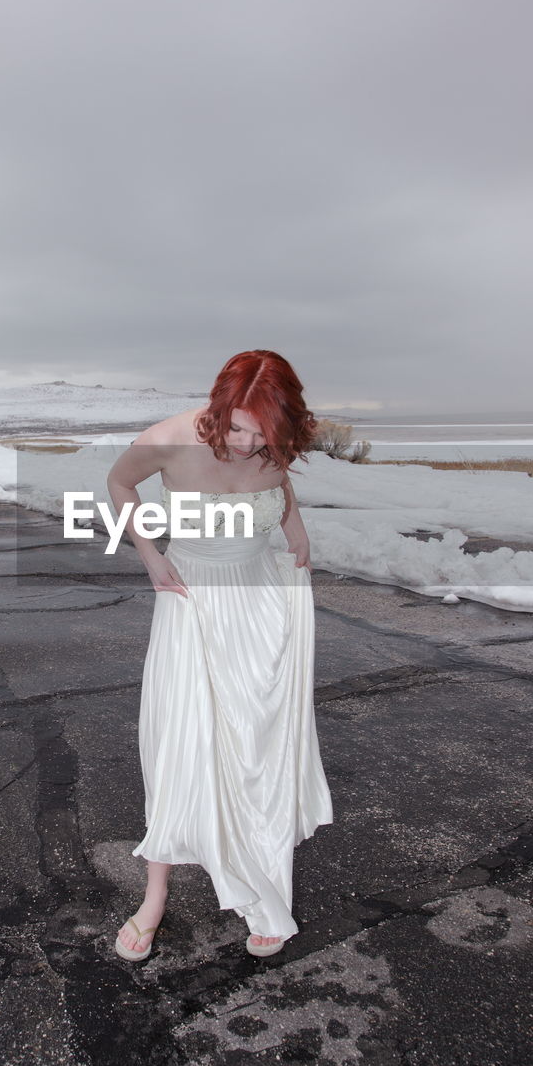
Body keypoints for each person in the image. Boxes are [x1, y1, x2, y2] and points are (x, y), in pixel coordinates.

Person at [107, 349, 333, 960]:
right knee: (181, 743)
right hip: (193, 597)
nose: (245, 443)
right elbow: (119, 483)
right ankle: (154, 897)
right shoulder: (168, 439)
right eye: (236, 427)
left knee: (257, 745)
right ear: (218, 404)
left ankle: (263, 891)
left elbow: (279, 485)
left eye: (263, 433)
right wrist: (152, 555)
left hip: (263, 597)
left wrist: (296, 530)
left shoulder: (271, 445)